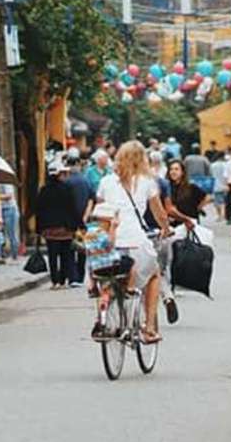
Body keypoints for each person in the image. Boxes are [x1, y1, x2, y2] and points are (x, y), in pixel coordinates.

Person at [96, 141, 171, 344]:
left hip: (110, 242)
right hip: (136, 242)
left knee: (109, 278)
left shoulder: (106, 182)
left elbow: (101, 213)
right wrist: (166, 229)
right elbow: (160, 214)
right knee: (154, 275)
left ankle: (104, 313)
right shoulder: (148, 182)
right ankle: (149, 327)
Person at [81, 202, 129, 339]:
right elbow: (110, 245)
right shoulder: (104, 232)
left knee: (103, 292)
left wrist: (90, 280)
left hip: (96, 269)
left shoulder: (89, 234)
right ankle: (129, 290)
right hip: (110, 266)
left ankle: (100, 319)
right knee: (130, 266)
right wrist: (113, 228)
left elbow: (89, 257)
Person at [36, 159, 80, 289]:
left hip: (50, 230)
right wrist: (79, 225)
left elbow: (39, 210)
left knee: (52, 256)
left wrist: (39, 229)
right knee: (66, 256)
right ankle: (62, 280)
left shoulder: (44, 191)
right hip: (65, 229)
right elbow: (73, 209)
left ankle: (54, 281)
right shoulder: (66, 189)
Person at [64, 148, 94, 286]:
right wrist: (86, 216)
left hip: (69, 220)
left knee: (69, 249)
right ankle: (81, 276)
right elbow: (91, 199)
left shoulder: (65, 182)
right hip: (83, 220)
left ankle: (73, 277)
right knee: (82, 248)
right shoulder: (85, 181)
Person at [0, 177, 20, 263]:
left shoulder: (5, 181)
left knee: (11, 233)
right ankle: (4, 255)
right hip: (1, 209)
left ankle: (14, 256)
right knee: (2, 234)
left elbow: (9, 195)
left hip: (10, 209)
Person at [210, 151, 231, 220]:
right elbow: (227, 175)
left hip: (215, 185)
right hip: (225, 185)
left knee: (217, 202)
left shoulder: (212, 165)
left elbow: (211, 175)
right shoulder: (225, 164)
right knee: (224, 201)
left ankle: (219, 215)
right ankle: (224, 215)